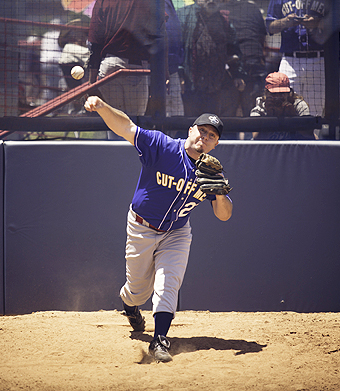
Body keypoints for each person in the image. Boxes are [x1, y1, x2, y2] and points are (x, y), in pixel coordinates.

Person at [84, 95, 233, 363]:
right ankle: (129, 305)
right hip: (142, 227)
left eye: (212, 135)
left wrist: (221, 194)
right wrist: (103, 106)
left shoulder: (211, 173)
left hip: (177, 233)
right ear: (191, 130)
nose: (205, 137)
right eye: (202, 130)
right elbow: (126, 127)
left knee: (168, 283)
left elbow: (224, 216)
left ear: (216, 143)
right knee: (138, 290)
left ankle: (160, 339)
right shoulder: (162, 146)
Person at [266, 0, 340, 117]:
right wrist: (286, 22)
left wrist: (319, 23)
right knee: (284, 107)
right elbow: (270, 27)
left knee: (314, 115)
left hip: (320, 60)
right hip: (290, 61)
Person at [87, 0, 163, 116]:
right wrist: (162, 71)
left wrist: (91, 82)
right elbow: (160, 37)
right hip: (136, 68)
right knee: (134, 125)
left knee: (112, 122)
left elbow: (95, 44)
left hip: (108, 66)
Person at [177, 0, 244, 117]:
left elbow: (233, 49)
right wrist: (180, 75)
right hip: (189, 85)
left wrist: (237, 74)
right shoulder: (183, 15)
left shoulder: (223, 21)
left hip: (215, 87)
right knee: (189, 124)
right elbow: (177, 47)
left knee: (210, 124)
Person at [221, 0, 267, 116]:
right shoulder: (252, 8)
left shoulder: (219, 11)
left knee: (227, 116)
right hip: (252, 65)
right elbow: (262, 37)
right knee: (254, 113)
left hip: (232, 68)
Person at [250, 72, 314, 140]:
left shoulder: (299, 106)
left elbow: (309, 134)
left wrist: (293, 117)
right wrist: (269, 117)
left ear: (289, 93)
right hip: (268, 148)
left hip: (293, 148)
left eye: (282, 93)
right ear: (267, 93)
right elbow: (256, 137)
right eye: (274, 94)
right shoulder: (260, 109)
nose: (278, 97)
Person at [40, 17, 67, 106]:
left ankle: (48, 107)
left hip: (44, 62)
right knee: (60, 85)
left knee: (50, 85)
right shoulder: (60, 35)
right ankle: (50, 107)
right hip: (56, 63)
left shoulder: (46, 35)